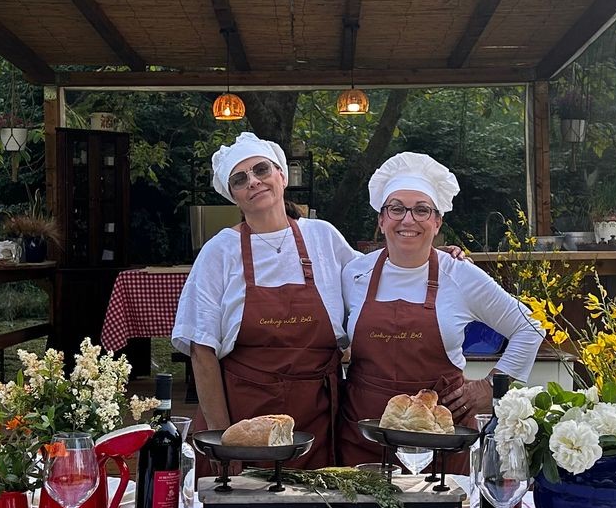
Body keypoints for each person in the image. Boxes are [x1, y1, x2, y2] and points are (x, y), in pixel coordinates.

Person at [336, 152, 544, 469]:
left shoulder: (459, 275)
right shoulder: (353, 274)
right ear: (381, 220)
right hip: (365, 436)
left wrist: (491, 386)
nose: (408, 219)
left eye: (422, 210)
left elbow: (530, 327)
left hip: (439, 437)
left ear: (437, 221)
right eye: (396, 209)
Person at [170, 133, 355, 468]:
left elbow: (378, 279)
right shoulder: (220, 251)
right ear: (234, 196)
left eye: (261, 170)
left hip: (316, 417)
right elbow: (202, 352)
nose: (253, 181)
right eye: (240, 179)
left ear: (281, 175)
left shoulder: (323, 237)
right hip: (244, 419)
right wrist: (222, 442)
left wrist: (434, 257)